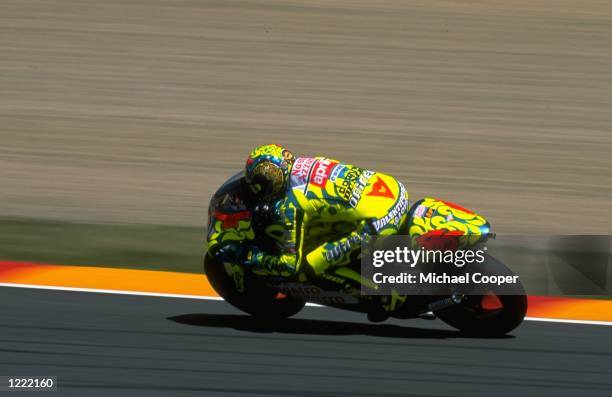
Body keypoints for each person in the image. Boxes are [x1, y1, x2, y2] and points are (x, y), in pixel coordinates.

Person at [239, 144, 411, 320]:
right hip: (393, 189)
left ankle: (381, 294)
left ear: (270, 180)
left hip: (379, 222)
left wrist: (249, 256)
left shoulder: (291, 205)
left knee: (310, 264)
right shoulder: (311, 162)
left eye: (258, 186)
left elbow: (289, 265)